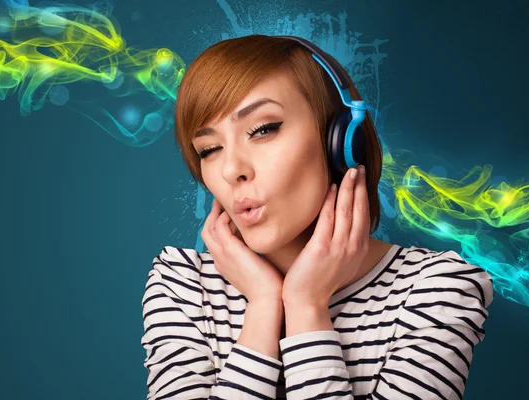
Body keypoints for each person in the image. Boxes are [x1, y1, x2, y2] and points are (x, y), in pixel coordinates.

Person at [141, 34, 494, 400]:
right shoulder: (183, 285)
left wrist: (306, 305)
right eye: (210, 149)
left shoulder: (437, 289)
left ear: (341, 141)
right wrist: (264, 305)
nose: (231, 170)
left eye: (263, 129)